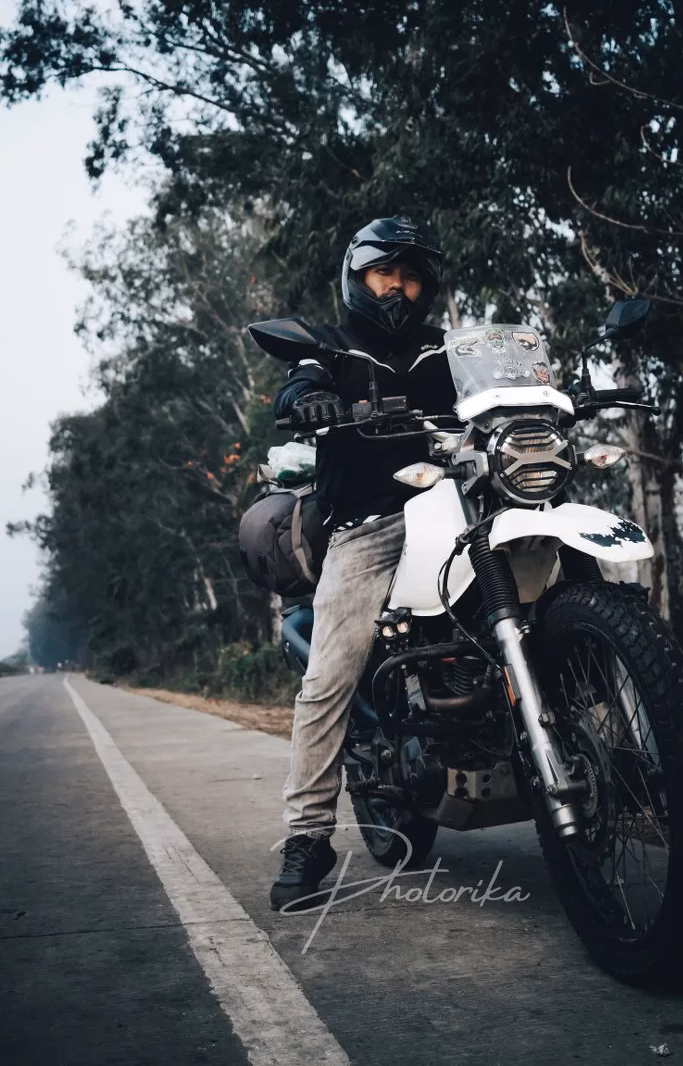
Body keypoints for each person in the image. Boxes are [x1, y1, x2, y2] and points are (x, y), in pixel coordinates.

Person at [269, 214, 457, 909]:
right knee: (330, 676)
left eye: (411, 277)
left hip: (458, 513)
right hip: (370, 524)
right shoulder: (333, 347)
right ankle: (308, 836)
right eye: (387, 273)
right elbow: (296, 385)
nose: (400, 289)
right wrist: (306, 400)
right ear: (358, 277)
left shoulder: (445, 349)